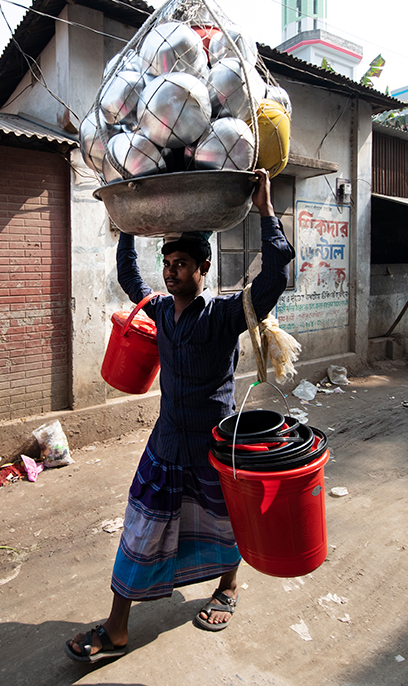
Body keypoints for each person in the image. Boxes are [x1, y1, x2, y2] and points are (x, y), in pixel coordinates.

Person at [65, 169, 294, 663]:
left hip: (217, 443)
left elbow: (276, 275)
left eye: (181, 263)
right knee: (140, 528)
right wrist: (126, 217)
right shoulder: (161, 311)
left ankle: (228, 587)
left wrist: (266, 210)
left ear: (204, 267)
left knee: (228, 520)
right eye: (167, 263)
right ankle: (117, 627)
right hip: (167, 444)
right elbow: (130, 277)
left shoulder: (228, 314)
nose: (170, 272)